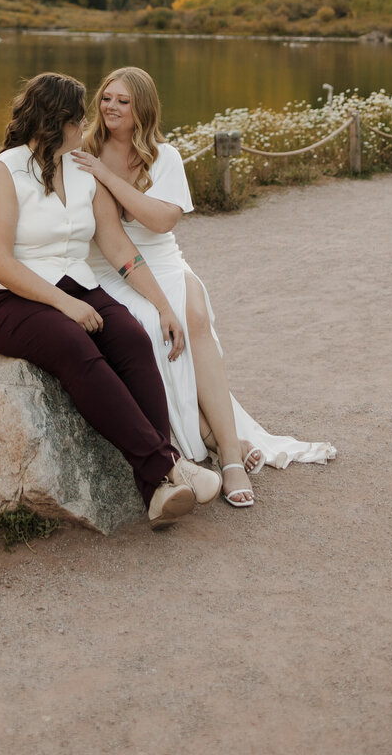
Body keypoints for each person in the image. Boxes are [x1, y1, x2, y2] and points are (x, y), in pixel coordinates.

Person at [75, 66, 336, 508]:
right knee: (149, 335)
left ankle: (231, 456)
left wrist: (106, 175)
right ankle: (215, 439)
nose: (112, 107)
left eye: (123, 100)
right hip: (108, 269)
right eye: (106, 98)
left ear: (142, 109)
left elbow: (160, 220)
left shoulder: (165, 156)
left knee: (194, 315)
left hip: (162, 260)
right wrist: (97, 167)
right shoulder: (86, 150)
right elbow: (109, 235)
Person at [0, 71, 222, 528]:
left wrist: (164, 306)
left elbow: (117, 245)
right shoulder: (2, 172)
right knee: (75, 347)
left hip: (76, 285)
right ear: (56, 120)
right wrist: (65, 306)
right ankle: (167, 466)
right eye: (79, 115)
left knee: (130, 335)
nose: (88, 122)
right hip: (8, 299)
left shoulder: (81, 167)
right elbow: (0, 262)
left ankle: (155, 491)